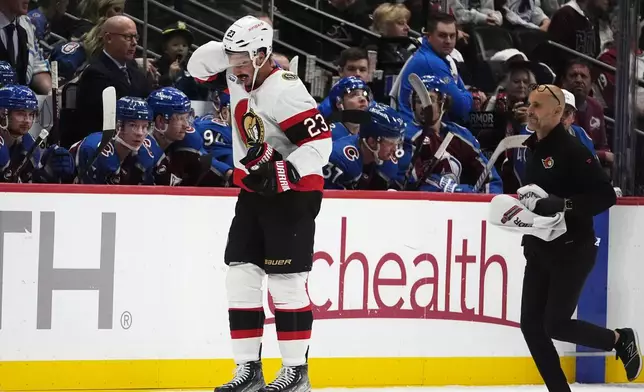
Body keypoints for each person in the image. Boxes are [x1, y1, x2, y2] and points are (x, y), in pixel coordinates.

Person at [187, 15, 332, 392]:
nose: (234, 68)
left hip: (293, 194)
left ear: (263, 54)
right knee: (241, 276)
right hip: (253, 192)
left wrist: (285, 172)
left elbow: (320, 145)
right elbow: (196, 67)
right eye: (231, 58)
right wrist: (230, 50)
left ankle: (296, 371)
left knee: (286, 283)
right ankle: (248, 369)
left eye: (241, 59)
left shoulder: (285, 90)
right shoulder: (239, 73)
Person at [516, 83, 641, 392]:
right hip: (539, 247)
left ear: (558, 112)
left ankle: (619, 339)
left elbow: (603, 196)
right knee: (531, 325)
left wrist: (565, 205)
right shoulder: (533, 146)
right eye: (529, 103)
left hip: (572, 251)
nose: (530, 110)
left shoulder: (573, 150)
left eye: (538, 106)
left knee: (555, 324)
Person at [400, 75, 502, 193]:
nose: (424, 106)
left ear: (443, 103)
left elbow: (490, 177)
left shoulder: (461, 135)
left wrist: (490, 200)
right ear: (412, 105)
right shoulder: (407, 135)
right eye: (418, 101)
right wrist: (455, 190)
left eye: (430, 99)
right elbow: (412, 182)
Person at [70, 96, 156, 184]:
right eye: (133, 125)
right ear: (118, 126)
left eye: (144, 127)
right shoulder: (96, 150)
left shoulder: (146, 154)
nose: (140, 133)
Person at [0, 84, 74, 183]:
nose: (27, 120)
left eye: (31, 114)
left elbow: (24, 188)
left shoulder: (30, 145)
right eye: (21, 114)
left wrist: (47, 172)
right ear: (3, 113)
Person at [324, 102, 404, 190]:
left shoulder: (387, 159)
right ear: (372, 142)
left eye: (397, 141)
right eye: (391, 142)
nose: (395, 148)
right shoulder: (340, 159)